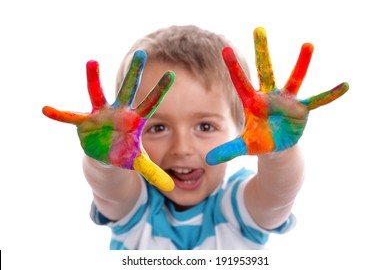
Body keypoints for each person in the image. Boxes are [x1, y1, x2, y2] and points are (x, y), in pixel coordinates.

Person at [43, 25, 348, 249]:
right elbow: (110, 191)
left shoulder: (236, 204)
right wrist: (104, 163)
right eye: (157, 128)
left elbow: (276, 198)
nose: (182, 149)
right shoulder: (136, 206)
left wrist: (279, 154)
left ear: (242, 126)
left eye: (204, 127)